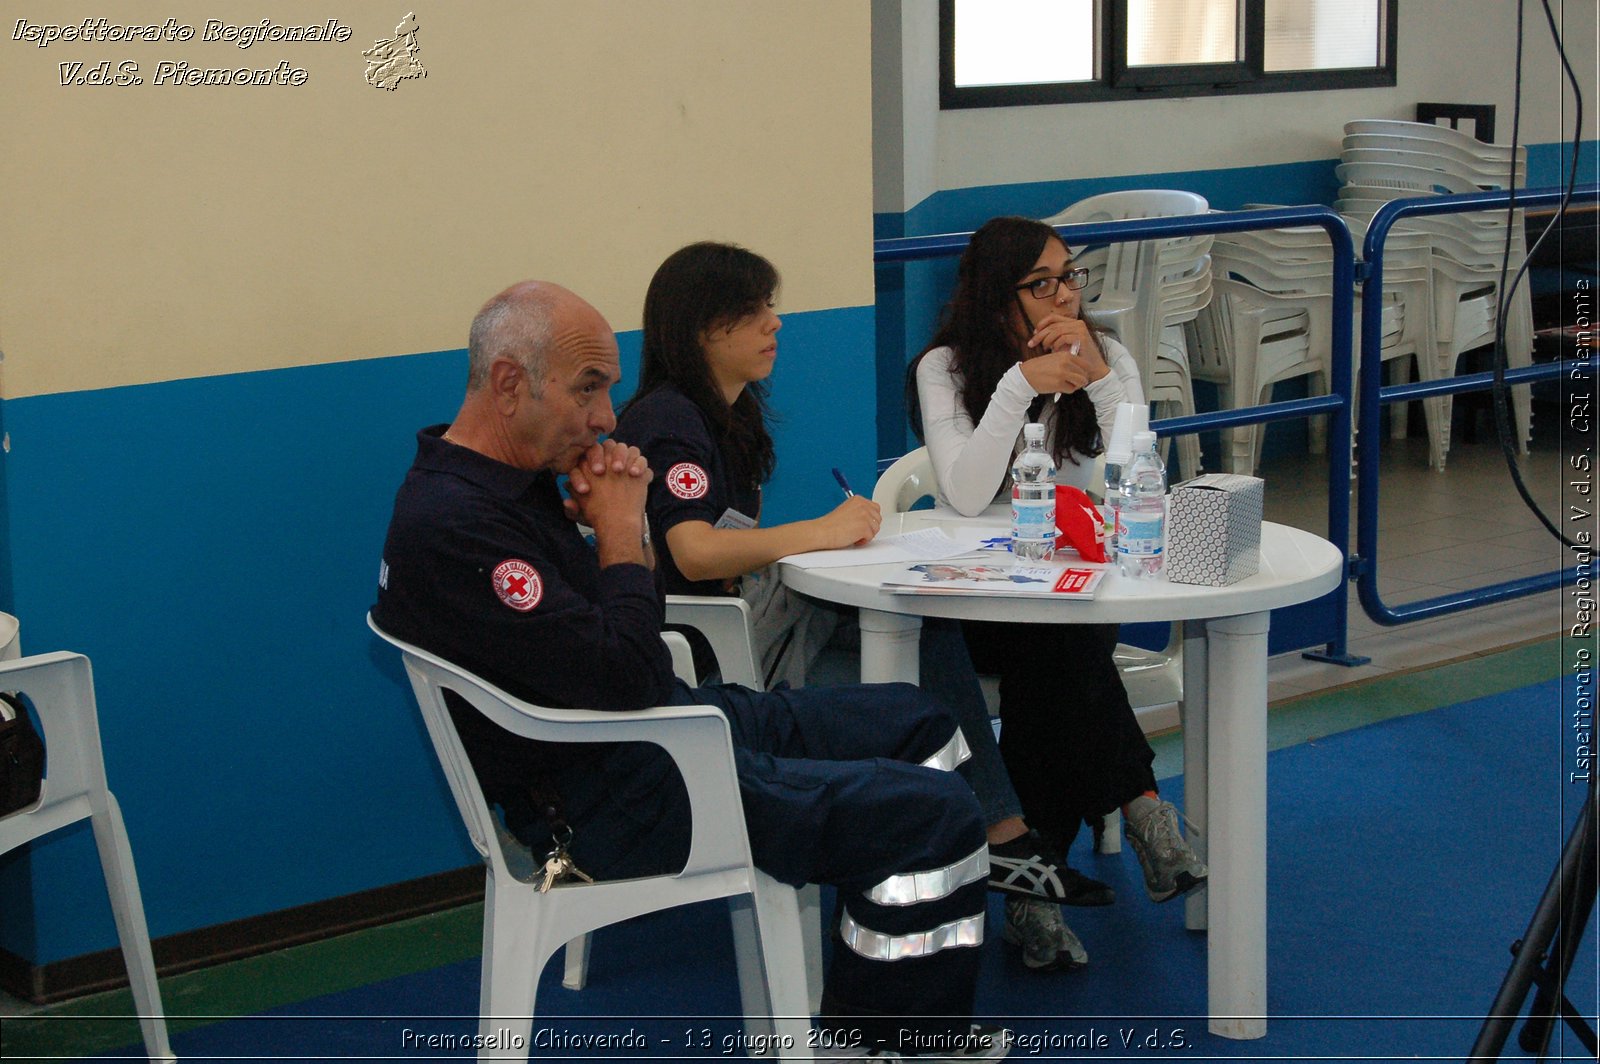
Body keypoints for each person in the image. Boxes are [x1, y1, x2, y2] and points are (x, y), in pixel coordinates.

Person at [372, 280, 1008, 1059]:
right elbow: (630, 673)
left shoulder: (501, 488)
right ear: (509, 384)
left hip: (658, 734)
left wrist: (610, 532)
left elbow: (616, 645)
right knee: (934, 812)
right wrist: (619, 531)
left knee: (918, 718)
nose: (608, 417)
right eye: (588, 389)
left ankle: (891, 964)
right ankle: (883, 1037)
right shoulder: (457, 525)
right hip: (620, 800)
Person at [614, 242, 1112, 972]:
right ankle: (997, 839)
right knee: (916, 656)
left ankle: (999, 838)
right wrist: (820, 532)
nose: (774, 325)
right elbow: (692, 551)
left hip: (752, 629)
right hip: (713, 657)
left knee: (924, 634)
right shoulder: (670, 417)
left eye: (771, 308)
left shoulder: (724, 415)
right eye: (752, 313)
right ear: (701, 329)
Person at [908, 216, 1209, 957]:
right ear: (994, 296)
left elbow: (1138, 477)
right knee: (1062, 659)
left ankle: (1034, 898)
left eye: (1070, 276)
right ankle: (1141, 804)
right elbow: (970, 494)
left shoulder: (1109, 355)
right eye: (1041, 284)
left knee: (1060, 655)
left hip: (1079, 594)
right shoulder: (944, 367)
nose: (1064, 296)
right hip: (979, 600)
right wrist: (1017, 388)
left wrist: (1101, 380)